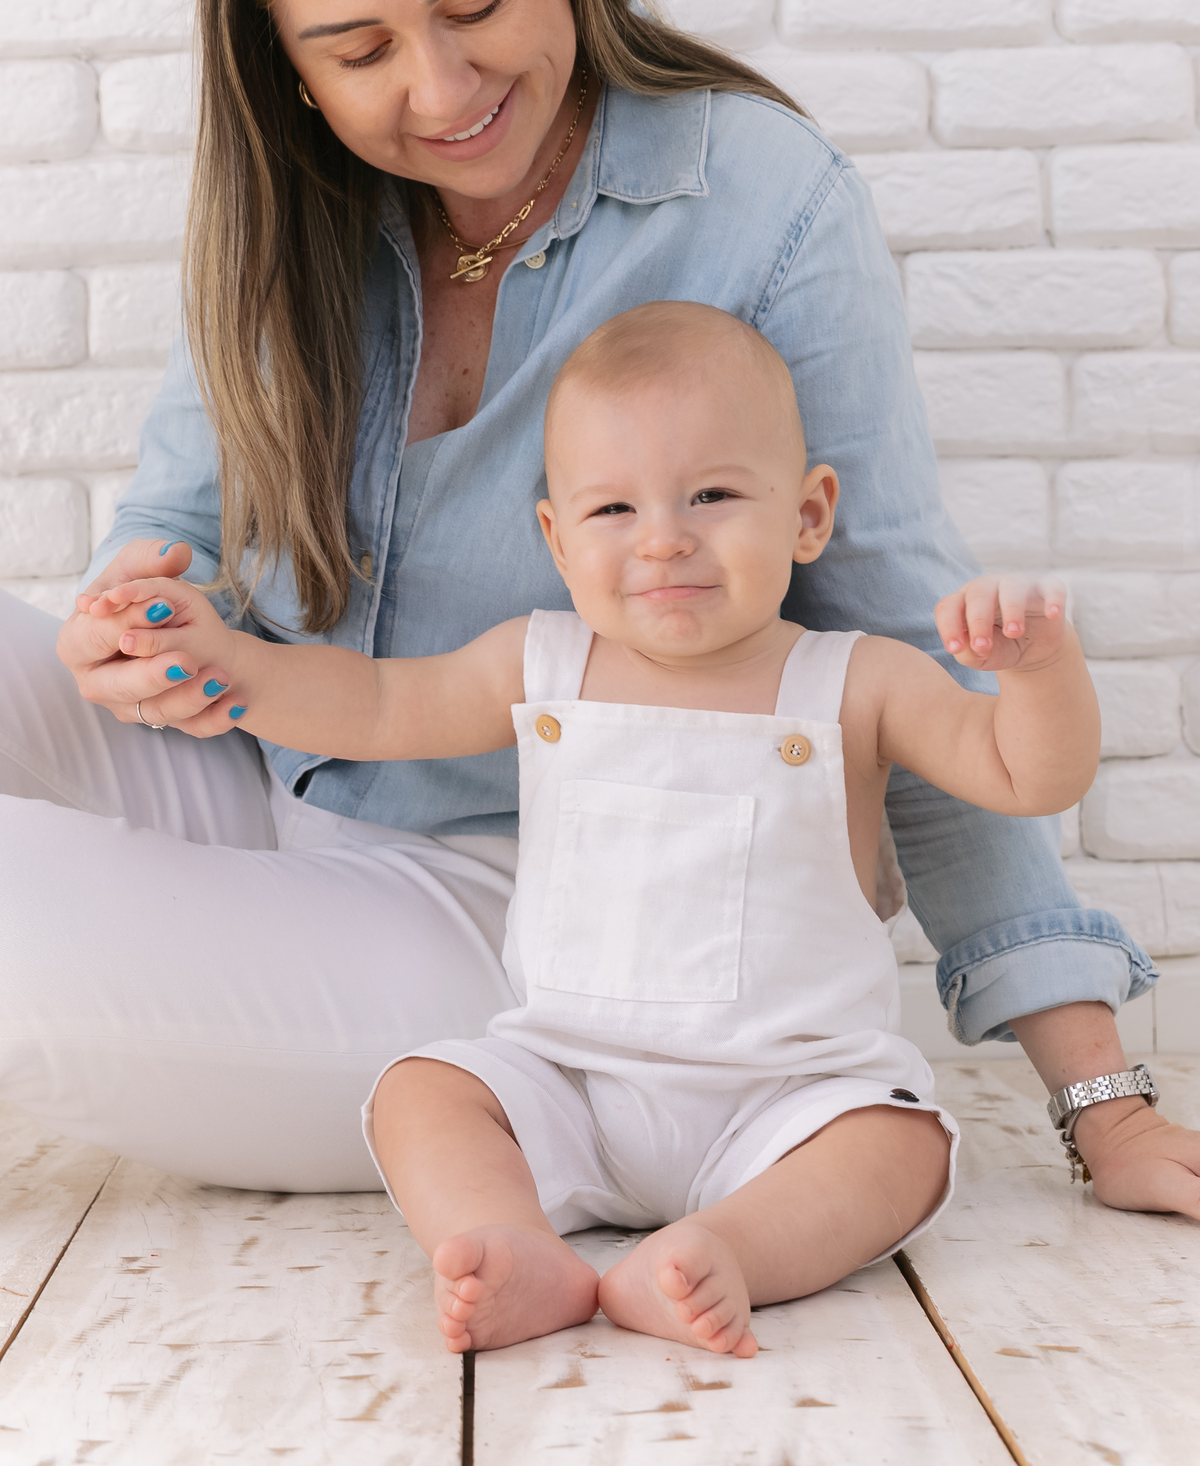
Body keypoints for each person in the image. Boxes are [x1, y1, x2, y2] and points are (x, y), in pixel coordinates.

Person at [3, 0, 1194, 1214]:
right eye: (360, 49)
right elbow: (172, 519)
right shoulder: (286, 216)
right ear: (285, 65)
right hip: (257, 773)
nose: (440, 91)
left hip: (528, 923)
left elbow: (903, 644)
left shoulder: (757, 202)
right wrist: (133, 618)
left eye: (477, 1)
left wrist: (1099, 1096)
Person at [81, 302, 1103, 1357]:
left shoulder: (854, 681)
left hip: (790, 1098)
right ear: (555, 539)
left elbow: (1029, 774)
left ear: (808, 514)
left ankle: (730, 1252)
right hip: (571, 1080)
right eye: (614, 508)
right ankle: (514, 1244)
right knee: (421, 1093)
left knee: (902, 1147)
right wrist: (230, 668)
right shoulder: (540, 662)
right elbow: (374, 706)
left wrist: (1037, 671)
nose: (664, 536)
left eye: (712, 494)